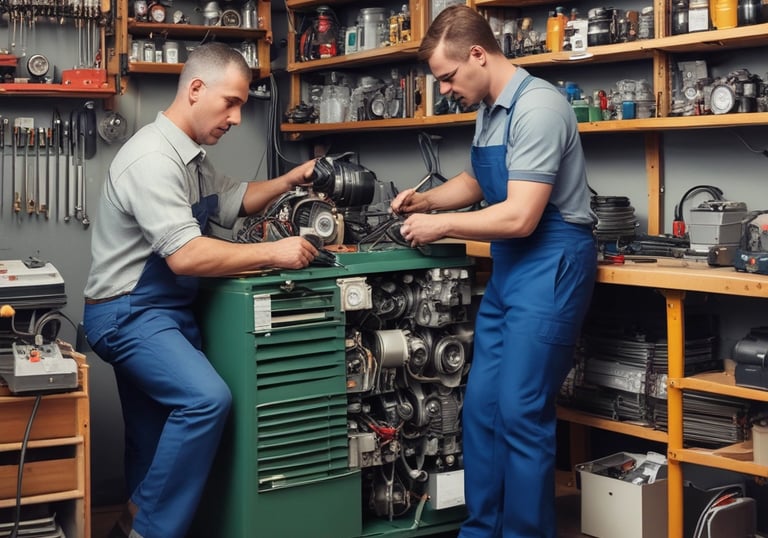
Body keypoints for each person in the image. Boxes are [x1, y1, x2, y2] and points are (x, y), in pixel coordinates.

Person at [82, 42, 318, 538]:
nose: (235, 117)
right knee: (204, 400)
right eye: (230, 102)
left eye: (242, 106)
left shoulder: (192, 159)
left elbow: (235, 199)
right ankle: (140, 528)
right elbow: (185, 255)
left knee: (152, 438)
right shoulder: (152, 157)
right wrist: (274, 253)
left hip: (165, 312)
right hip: (128, 313)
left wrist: (290, 179)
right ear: (195, 90)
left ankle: (144, 522)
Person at [390, 6, 597, 538]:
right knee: (480, 409)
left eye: (448, 77)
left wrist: (442, 228)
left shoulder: (540, 108)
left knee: (522, 412)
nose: (446, 90)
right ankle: (481, 530)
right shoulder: (490, 105)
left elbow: (521, 214)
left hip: (550, 261)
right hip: (511, 267)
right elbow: (481, 179)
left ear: (478, 55)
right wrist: (428, 201)